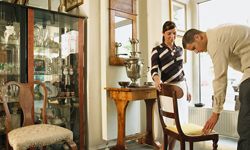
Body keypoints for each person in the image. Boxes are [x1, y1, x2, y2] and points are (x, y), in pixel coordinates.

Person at [182, 24, 250, 150]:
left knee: (245, 127)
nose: (196, 52)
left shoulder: (215, 42)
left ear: (198, 37)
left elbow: (220, 78)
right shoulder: (218, 34)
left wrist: (216, 112)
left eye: (194, 48)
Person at [151, 21, 191, 150]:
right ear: (163, 33)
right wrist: (157, 81)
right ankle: (164, 148)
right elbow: (154, 70)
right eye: (169, 33)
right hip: (168, 89)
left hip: (182, 88)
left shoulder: (179, 49)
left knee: (180, 124)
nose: (172, 36)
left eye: (174, 33)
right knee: (172, 124)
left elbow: (182, 71)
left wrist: (188, 89)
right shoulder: (157, 50)